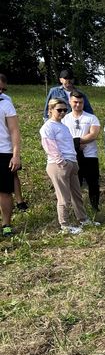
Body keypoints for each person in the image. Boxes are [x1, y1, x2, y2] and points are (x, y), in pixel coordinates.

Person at [40, 98, 97, 234]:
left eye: (65, 110)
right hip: (58, 165)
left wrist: (74, 163)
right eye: (59, 110)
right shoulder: (48, 127)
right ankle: (64, 225)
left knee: (76, 195)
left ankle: (83, 219)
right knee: (63, 197)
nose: (62, 112)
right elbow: (50, 147)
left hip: (71, 163)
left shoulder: (63, 126)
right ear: (51, 110)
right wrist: (62, 163)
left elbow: (68, 145)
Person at [62, 91, 101, 211]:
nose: (78, 105)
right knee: (74, 183)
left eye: (80, 102)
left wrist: (77, 141)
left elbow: (93, 134)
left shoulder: (91, 118)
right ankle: (77, 208)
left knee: (93, 182)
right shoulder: (64, 119)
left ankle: (95, 206)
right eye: (75, 102)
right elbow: (63, 137)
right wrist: (76, 144)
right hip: (71, 156)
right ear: (70, 102)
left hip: (90, 155)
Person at [0, 74, 27, 212]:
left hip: (6, 150)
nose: (1, 91)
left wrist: (15, 154)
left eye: (3, 89)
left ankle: (19, 200)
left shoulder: (6, 102)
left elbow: (14, 129)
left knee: (12, 176)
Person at [0, 81, 21, 237]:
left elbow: (14, 131)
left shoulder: (6, 105)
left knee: (5, 192)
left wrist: (15, 155)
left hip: (4, 152)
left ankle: (6, 224)